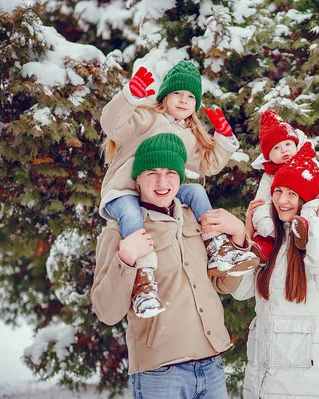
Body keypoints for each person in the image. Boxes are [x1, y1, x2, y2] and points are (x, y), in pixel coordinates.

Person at [92, 133, 248, 399]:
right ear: (137, 178)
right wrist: (126, 260)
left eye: (170, 173)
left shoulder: (197, 219)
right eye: (152, 172)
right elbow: (107, 313)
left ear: (180, 177)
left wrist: (238, 237)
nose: (162, 182)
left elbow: (225, 284)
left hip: (211, 365)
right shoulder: (120, 232)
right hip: (161, 374)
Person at [99, 61, 258, 317]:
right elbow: (113, 125)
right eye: (178, 93)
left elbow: (209, 164)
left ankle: (216, 245)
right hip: (124, 192)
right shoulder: (147, 117)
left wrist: (224, 139)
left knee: (195, 192)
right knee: (131, 216)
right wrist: (129, 98)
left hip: (161, 192)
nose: (184, 100)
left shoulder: (187, 134)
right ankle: (144, 277)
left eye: (191, 96)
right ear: (165, 95)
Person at [233, 152, 319, 398]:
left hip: (302, 383)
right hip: (259, 379)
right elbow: (241, 291)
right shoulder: (269, 239)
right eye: (278, 191)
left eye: (292, 194)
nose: (282, 200)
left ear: (306, 200)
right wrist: (246, 236)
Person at [249, 108, 319, 263]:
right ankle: (266, 242)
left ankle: (304, 229)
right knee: (261, 210)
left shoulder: (309, 163)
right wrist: (258, 212)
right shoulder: (269, 175)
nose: (284, 150)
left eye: (287, 144)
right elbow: (262, 198)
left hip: (310, 208)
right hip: (278, 215)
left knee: (313, 205)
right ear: (268, 156)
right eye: (276, 148)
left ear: (295, 143)